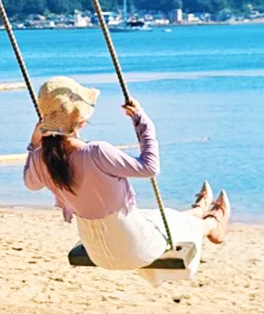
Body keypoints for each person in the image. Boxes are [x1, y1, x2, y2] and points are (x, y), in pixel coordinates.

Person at [23, 76, 231, 285]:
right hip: (136, 249)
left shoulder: (42, 159)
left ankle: (198, 210)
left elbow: (30, 184)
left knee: (159, 216)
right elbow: (150, 168)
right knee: (175, 224)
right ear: (82, 120)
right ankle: (213, 223)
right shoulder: (96, 152)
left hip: (97, 254)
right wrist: (143, 123)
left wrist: (34, 144)